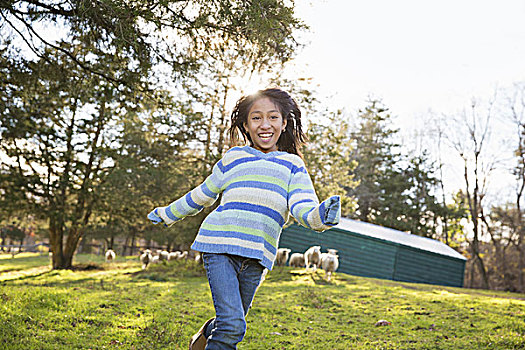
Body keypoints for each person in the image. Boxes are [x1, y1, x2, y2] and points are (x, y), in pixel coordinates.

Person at [147, 88, 341, 350]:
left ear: (284, 123)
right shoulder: (233, 158)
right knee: (233, 326)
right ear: (246, 125)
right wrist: (167, 213)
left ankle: (204, 335)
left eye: (273, 117)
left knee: (229, 321)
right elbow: (203, 194)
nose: (265, 124)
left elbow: (301, 206)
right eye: (256, 118)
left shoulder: (292, 165)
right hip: (219, 248)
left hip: (257, 256)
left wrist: (320, 216)